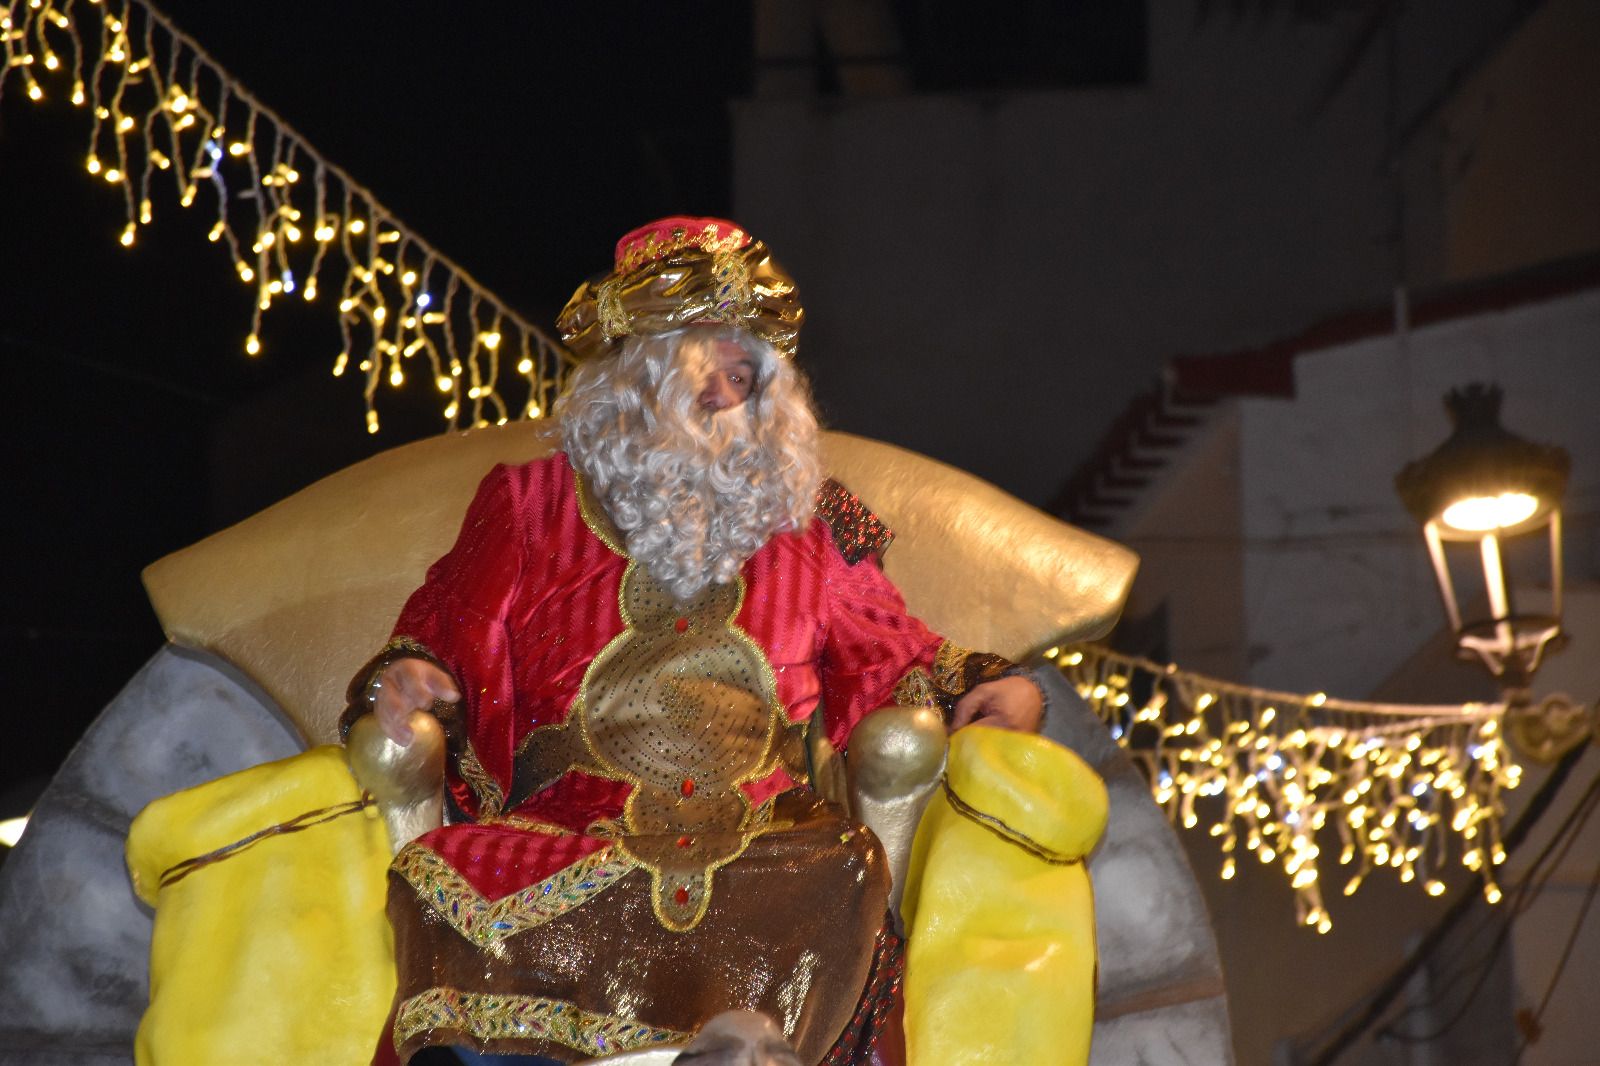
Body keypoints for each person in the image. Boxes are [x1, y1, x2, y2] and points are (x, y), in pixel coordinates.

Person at [344, 217, 1042, 1066]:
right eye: (703, 361)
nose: (728, 387)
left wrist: (995, 682)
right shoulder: (527, 501)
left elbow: (895, 648)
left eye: (746, 370)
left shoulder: (816, 517)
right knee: (451, 875)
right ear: (637, 372)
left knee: (846, 864)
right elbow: (443, 629)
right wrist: (412, 673)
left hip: (767, 839)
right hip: (570, 834)